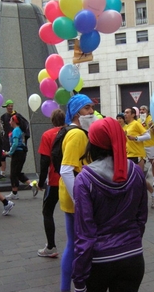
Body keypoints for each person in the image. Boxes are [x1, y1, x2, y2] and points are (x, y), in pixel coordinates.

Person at [72, 117, 148, 292]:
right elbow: (141, 218)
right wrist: (131, 241)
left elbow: (84, 233)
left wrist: (79, 278)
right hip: (133, 257)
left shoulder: (84, 179)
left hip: (99, 261)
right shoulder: (136, 172)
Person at [59, 94, 95, 292]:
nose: (91, 112)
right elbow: (66, 169)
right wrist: (79, 200)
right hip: (76, 197)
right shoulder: (77, 134)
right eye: (87, 108)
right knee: (74, 245)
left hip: (74, 195)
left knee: (73, 244)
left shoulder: (76, 132)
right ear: (76, 112)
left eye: (91, 108)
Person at [36, 109, 65, 258]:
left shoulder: (47, 135)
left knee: (47, 212)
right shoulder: (71, 132)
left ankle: (51, 246)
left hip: (54, 180)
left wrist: (41, 182)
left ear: (52, 120)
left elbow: (44, 161)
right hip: (72, 178)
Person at [124, 107, 154, 208]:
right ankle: (132, 200)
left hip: (138, 154)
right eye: (124, 113)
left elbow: (148, 135)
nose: (125, 114)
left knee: (139, 178)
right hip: (128, 155)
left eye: (127, 112)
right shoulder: (127, 126)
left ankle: (153, 193)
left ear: (133, 114)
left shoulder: (136, 123)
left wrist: (136, 138)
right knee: (130, 178)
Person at [4, 114, 36, 200]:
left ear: (14, 121)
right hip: (21, 153)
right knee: (17, 172)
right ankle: (32, 185)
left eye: (11, 120)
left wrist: (10, 152)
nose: (9, 122)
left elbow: (15, 143)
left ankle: (15, 193)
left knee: (13, 173)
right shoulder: (20, 130)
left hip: (17, 153)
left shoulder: (16, 130)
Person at [0, 100, 29, 180]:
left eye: (11, 105)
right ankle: (3, 173)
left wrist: (24, 136)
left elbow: (25, 124)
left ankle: (15, 172)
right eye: (9, 106)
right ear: (6, 107)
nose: (10, 107)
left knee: (13, 155)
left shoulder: (17, 116)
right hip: (6, 139)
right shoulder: (3, 116)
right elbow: (0, 128)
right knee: (3, 156)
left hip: (14, 139)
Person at [139, 105, 154, 187]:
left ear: (147, 111)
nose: (141, 111)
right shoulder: (138, 120)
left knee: (153, 162)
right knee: (141, 163)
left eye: (143, 110)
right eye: (140, 110)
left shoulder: (152, 119)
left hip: (150, 144)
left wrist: (152, 127)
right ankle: (141, 180)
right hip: (140, 145)